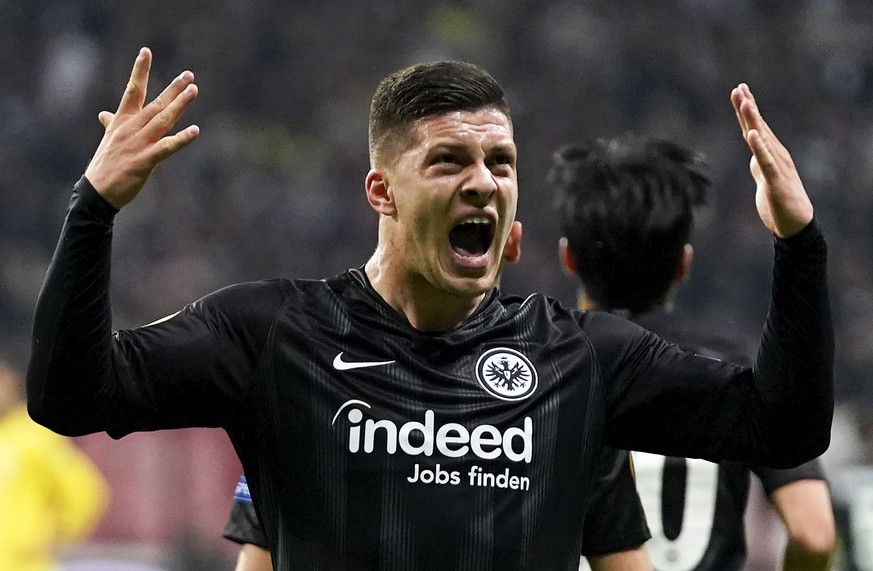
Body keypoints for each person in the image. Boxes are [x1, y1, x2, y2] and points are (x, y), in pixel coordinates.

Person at [26, 47, 833, 570]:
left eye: (500, 160)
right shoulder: (272, 334)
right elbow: (70, 395)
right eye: (448, 159)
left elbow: (782, 426)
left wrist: (798, 245)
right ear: (381, 190)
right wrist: (93, 206)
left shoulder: (579, 357)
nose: (483, 179)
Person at [551, 134, 837, 571]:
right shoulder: (728, 370)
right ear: (684, 264)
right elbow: (814, 534)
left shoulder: (548, 365)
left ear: (568, 258)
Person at [0, 356, 108, 571]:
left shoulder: (33, 434)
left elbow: (84, 491)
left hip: (25, 565)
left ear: (13, 385)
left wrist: (56, 535)